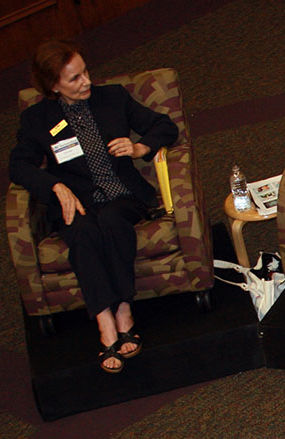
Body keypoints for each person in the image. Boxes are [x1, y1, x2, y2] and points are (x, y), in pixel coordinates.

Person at [9, 40, 178, 374]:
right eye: (74, 79)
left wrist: (139, 147)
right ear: (53, 86)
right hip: (78, 204)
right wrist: (55, 186)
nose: (86, 81)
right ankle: (105, 322)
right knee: (83, 234)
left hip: (122, 195)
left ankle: (124, 311)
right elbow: (18, 166)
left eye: (85, 72)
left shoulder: (112, 98)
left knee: (115, 222)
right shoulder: (36, 119)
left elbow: (165, 126)